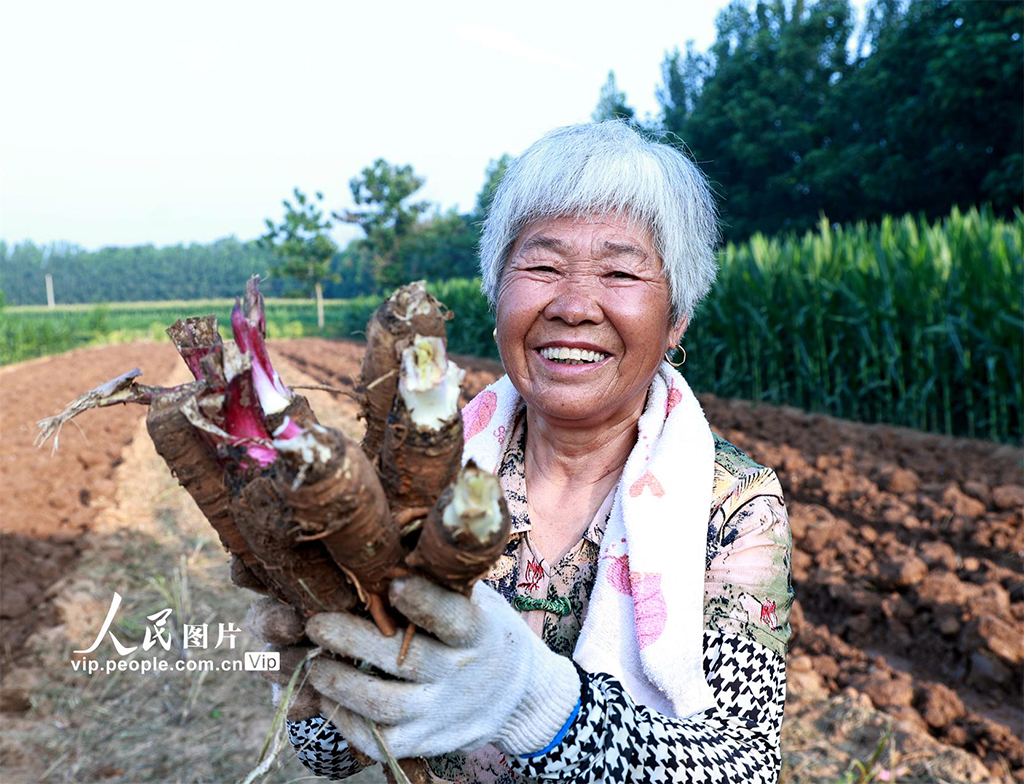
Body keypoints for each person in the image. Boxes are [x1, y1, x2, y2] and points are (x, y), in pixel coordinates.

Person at [251, 120, 794, 783]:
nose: (573, 305)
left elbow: (743, 769)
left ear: (676, 319)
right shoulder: (418, 478)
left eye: (621, 271)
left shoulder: (732, 505)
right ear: (496, 294)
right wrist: (317, 656)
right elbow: (334, 756)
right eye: (541, 266)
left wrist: (540, 705)